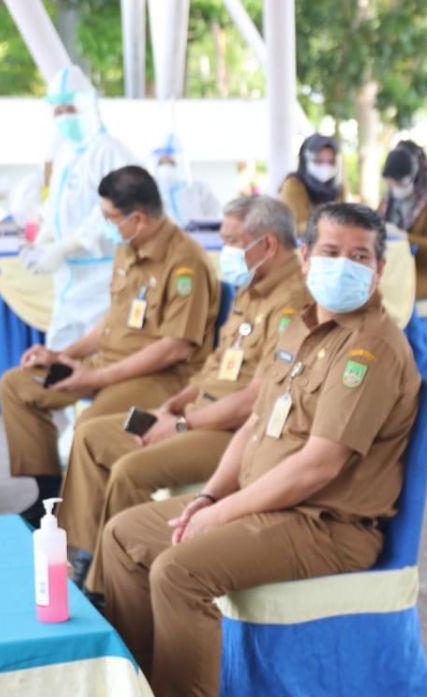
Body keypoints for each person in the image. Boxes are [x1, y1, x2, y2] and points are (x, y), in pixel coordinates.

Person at [102, 202, 420, 697]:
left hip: (328, 524)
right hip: (265, 504)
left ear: (379, 272)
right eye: (330, 252)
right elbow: (253, 425)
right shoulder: (300, 326)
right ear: (305, 257)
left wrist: (219, 514)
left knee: (180, 567)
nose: (344, 266)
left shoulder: (370, 350)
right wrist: (212, 496)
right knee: (125, 535)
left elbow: (319, 465)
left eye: (360, 257)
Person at [59, 195, 309, 592]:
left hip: (234, 432)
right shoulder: (253, 283)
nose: (223, 251)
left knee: (129, 470)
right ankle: (82, 556)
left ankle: (115, 590)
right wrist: (173, 406)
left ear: (268, 244)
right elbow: (217, 365)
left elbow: (254, 400)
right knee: (90, 436)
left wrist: (178, 423)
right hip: (198, 410)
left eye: (231, 240)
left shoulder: (293, 301)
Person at [0, 166, 218, 524]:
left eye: (109, 218)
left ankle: (78, 535)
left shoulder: (185, 262)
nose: (104, 225)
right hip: (109, 365)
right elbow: (111, 322)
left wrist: (98, 379)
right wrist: (64, 356)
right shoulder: (129, 247)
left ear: (139, 218)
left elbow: (175, 347)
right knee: (16, 385)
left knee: (91, 428)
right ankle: (48, 495)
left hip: (160, 376)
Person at [22, 65, 136, 350]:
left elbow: (117, 207)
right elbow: (58, 207)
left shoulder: (109, 152)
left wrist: (69, 245)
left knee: (98, 359)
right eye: (57, 111)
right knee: (58, 363)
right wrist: (46, 238)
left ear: (86, 106)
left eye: (69, 109)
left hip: (101, 279)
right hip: (69, 283)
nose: (63, 118)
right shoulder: (66, 155)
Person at [377, 140, 427, 298]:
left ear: (416, 174)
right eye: (390, 183)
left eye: (399, 182)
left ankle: (403, 324)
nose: (394, 187)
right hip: (401, 268)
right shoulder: (390, 199)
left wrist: (402, 237)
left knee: (391, 293)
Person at [279, 134, 345, 235]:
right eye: (319, 161)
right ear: (306, 161)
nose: (325, 166)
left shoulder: (337, 188)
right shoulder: (294, 185)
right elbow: (294, 227)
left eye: (331, 161)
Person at [151, 133, 222, 226]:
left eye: (171, 162)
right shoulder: (150, 190)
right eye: (162, 163)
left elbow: (213, 214)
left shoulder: (199, 188)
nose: (166, 167)